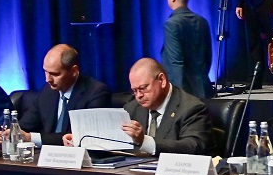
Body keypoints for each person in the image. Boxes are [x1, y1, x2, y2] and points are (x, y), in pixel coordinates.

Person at [65, 58, 211, 156]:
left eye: (143, 88)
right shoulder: (131, 108)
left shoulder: (191, 108)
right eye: (134, 91)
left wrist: (145, 141)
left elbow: (193, 146)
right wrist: (80, 141)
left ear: (161, 80)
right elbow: (113, 142)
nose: (139, 96)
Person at [0, 44, 111, 147]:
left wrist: (31, 138)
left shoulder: (96, 92)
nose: (48, 79)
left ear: (74, 71)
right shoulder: (47, 91)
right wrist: (7, 133)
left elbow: (80, 136)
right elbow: (25, 125)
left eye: (55, 74)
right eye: (46, 72)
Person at [161, 0, 213, 100]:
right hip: (204, 89)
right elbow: (208, 58)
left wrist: (179, 98)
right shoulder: (202, 22)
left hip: (185, 94)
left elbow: (175, 63)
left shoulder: (171, 24)